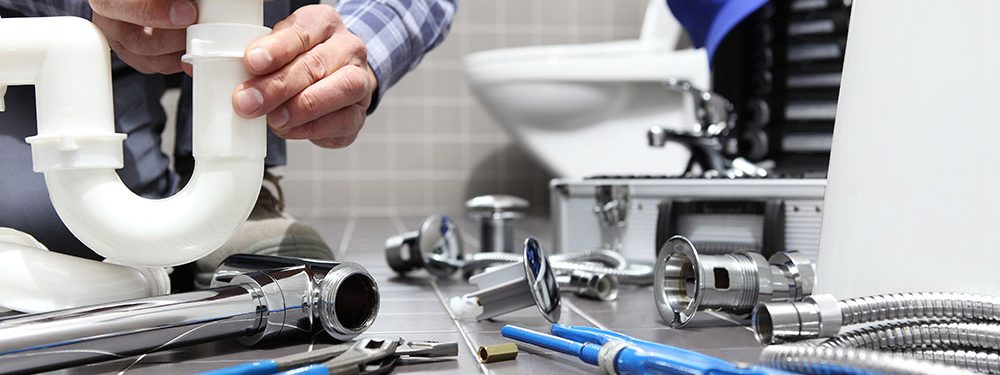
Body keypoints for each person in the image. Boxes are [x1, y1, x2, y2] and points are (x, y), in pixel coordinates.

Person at [0, 0, 455, 288]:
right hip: (35, 40)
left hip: (245, 30)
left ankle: (239, 193)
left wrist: (355, 50)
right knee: (39, 217)